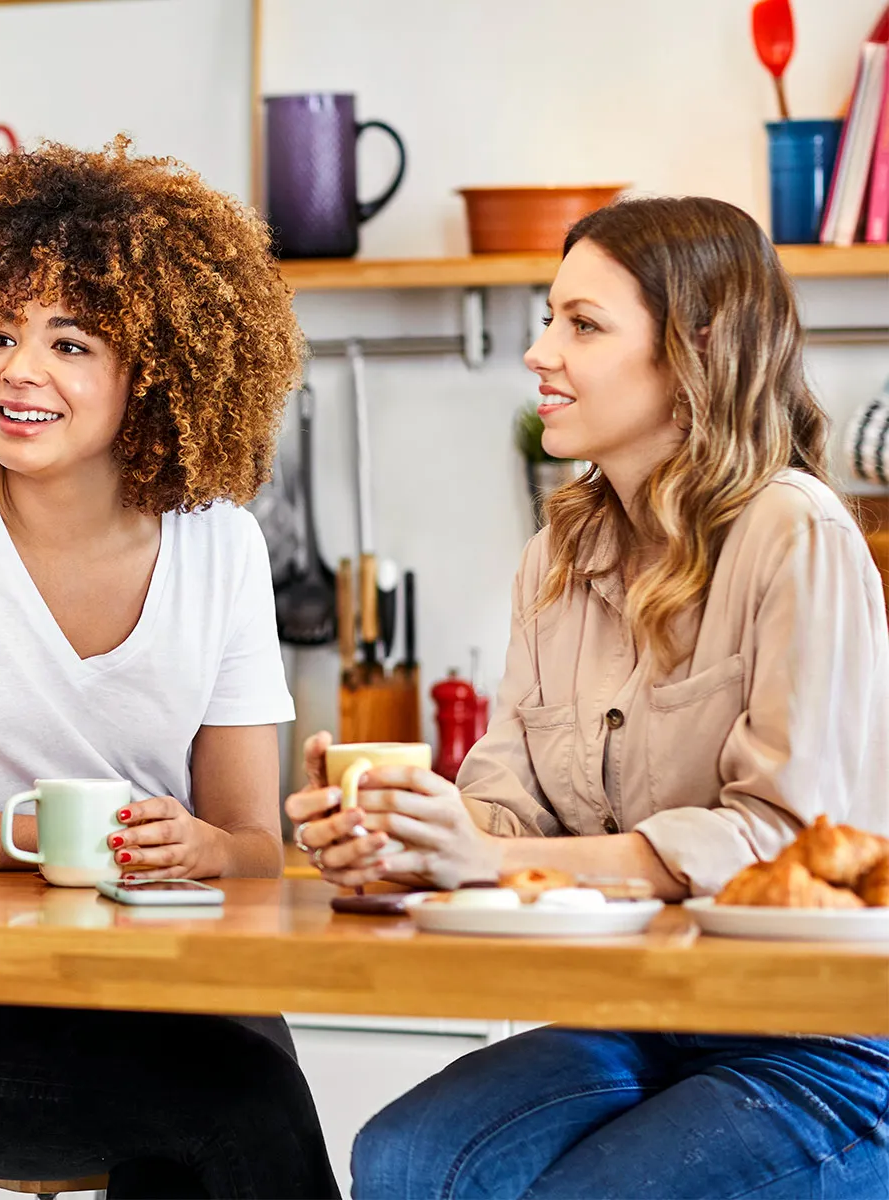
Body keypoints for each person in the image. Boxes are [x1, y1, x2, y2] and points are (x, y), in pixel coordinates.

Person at [288, 196, 889, 1199]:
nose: (539, 353)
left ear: (695, 349)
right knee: (404, 1157)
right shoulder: (558, 557)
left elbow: (784, 844)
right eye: (547, 318)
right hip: (637, 1015)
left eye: (583, 324)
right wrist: (403, 834)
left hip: (824, 1044)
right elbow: (507, 805)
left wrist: (490, 855)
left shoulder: (796, 534)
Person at [0, 137, 338, 1199]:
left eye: (71, 342)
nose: (17, 373)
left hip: (181, 995)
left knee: (214, 1113)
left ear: (159, 367)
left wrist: (199, 846)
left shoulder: (219, 538)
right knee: (233, 1112)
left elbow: (255, 848)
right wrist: (29, 837)